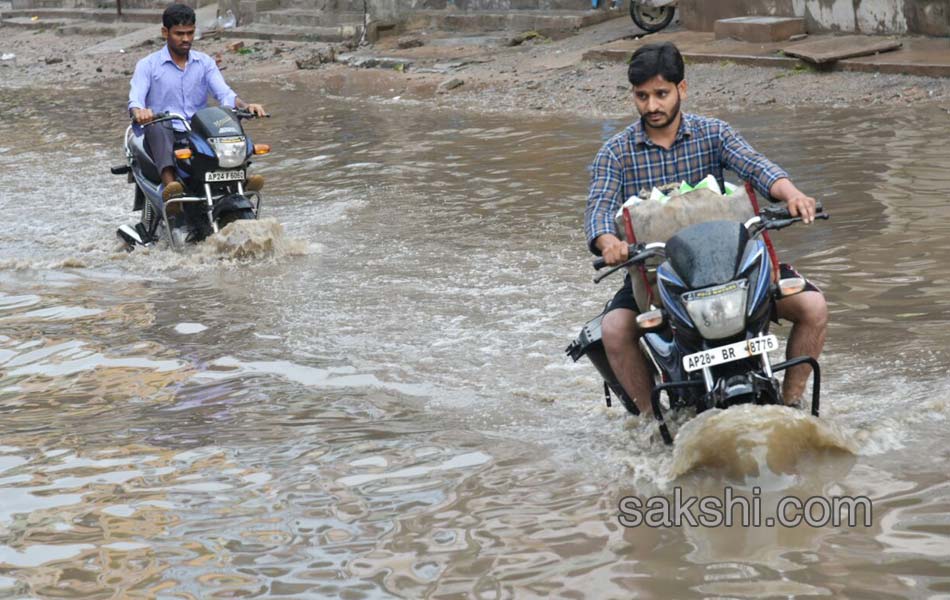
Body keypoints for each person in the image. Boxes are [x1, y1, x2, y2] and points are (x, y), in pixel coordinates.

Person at [584, 41, 828, 416]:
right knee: (615, 329)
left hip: (729, 268)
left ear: (682, 89)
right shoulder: (616, 152)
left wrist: (793, 195)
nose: (652, 106)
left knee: (812, 305)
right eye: (642, 96)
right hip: (657, 275)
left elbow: (756, 167)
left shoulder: (713, 133)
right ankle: (652, 423)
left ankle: (793, 405)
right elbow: (599, 207)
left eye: (661, 94)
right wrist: (608, 242)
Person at [127, 3, 267, 204]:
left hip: (197, 132)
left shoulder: (204, 63)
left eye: (190, 33)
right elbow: (136, 99)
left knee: (228, 120)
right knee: (158, 124)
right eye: (179, 33)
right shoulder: (148, 65)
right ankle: (170, 186)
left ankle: (240, 176)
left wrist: (246, 107)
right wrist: (140, 111)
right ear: (165, 32)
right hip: (165, 132)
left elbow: (225, 94)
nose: (186, 39)